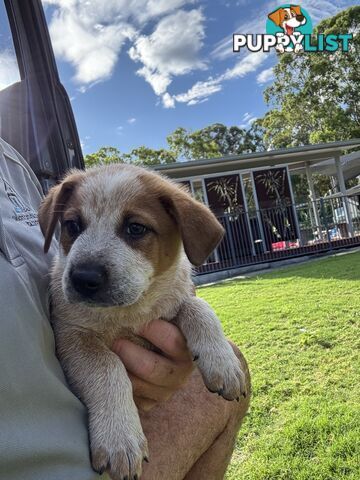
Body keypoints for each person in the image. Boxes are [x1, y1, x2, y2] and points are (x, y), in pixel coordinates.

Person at [0, 137, 250, 480]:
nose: (86, 265)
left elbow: (184, 303)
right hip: (61, 452)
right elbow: (72, 337)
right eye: (75, 226)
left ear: (181, 231)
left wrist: (200, 319)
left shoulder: (11, 161)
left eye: (135, 229)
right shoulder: (64, 279)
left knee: (219, 344)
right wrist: (112, 393)